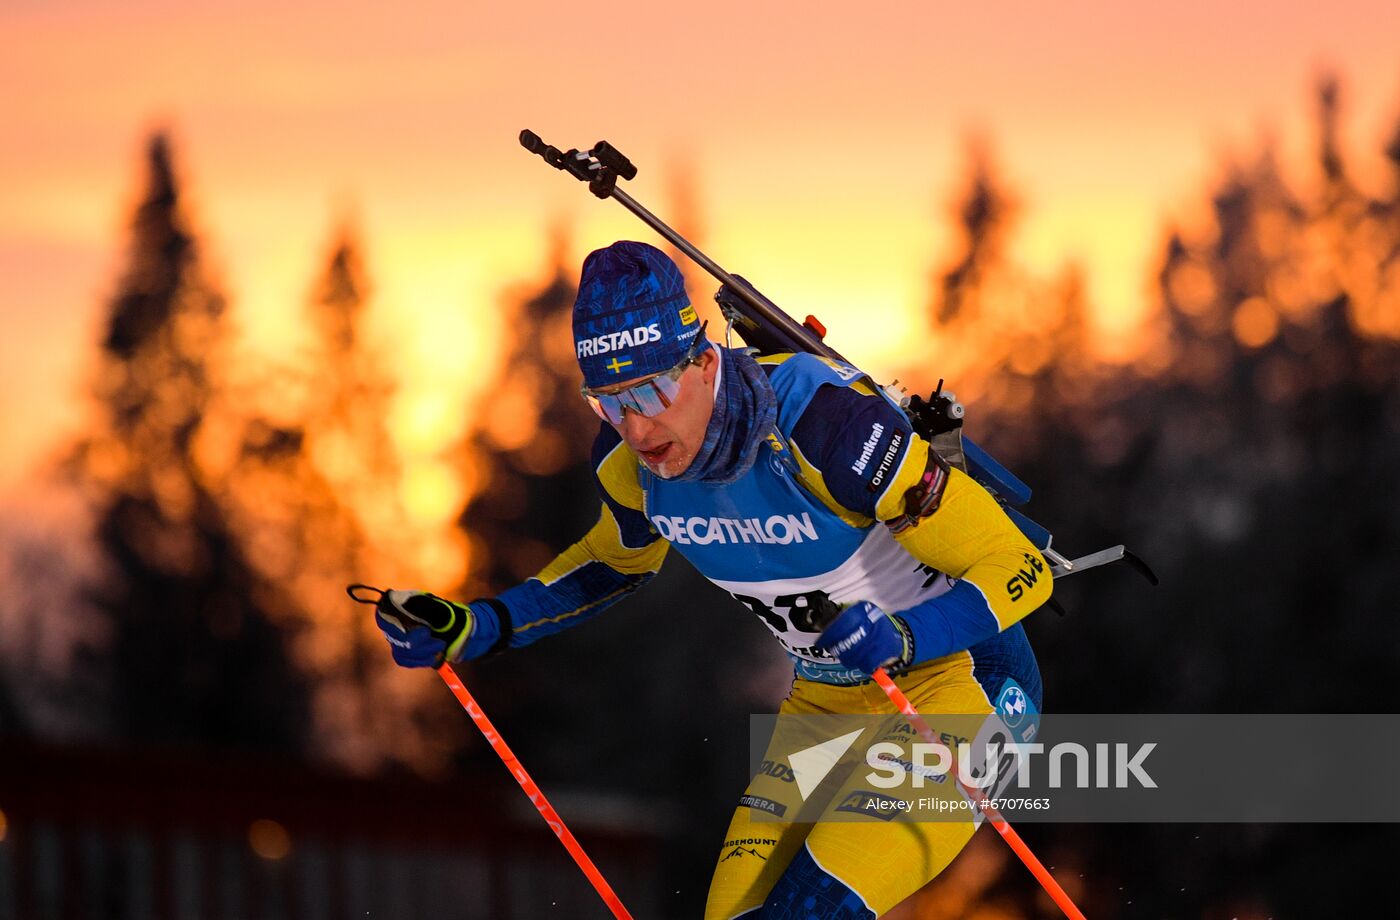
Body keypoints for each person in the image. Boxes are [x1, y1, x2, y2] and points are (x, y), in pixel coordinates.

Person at [371, 240, 1052, 918]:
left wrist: (904, 637)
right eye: (609, 402)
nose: (637, 426)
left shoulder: (823, 426)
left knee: (805, 915)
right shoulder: (627, 466)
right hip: (827, 705)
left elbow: (1018, 567)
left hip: (966, 685)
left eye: (651, 389)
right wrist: (479, 626)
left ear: (701, 362)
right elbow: (612, 563)